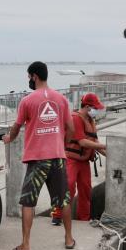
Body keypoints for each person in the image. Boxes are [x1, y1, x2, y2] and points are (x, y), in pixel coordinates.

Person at [3, 61, 75, 250]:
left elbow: (17, 127)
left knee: (28, 202)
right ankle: (69, 239)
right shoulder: (61, 99)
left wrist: (10, 138)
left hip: (37, 159)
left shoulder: (27, 101)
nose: (29, 80)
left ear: (34, 76)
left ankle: (25, 245)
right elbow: (71, 128)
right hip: (57, 156)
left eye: (29, 77)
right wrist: (62, 144)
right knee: (64, 199)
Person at [51, 92, 107, 223]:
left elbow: (95, 143)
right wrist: (106, 145)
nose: (97, 111)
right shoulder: (75, 118)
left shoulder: (90, 120)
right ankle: (57, 215)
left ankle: (84, 218)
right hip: (71, 159)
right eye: (96, 108)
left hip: (84, 161)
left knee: (86, 189)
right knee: (68, 187)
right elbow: (82, 142)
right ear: (88, 107)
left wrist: (110, 154)